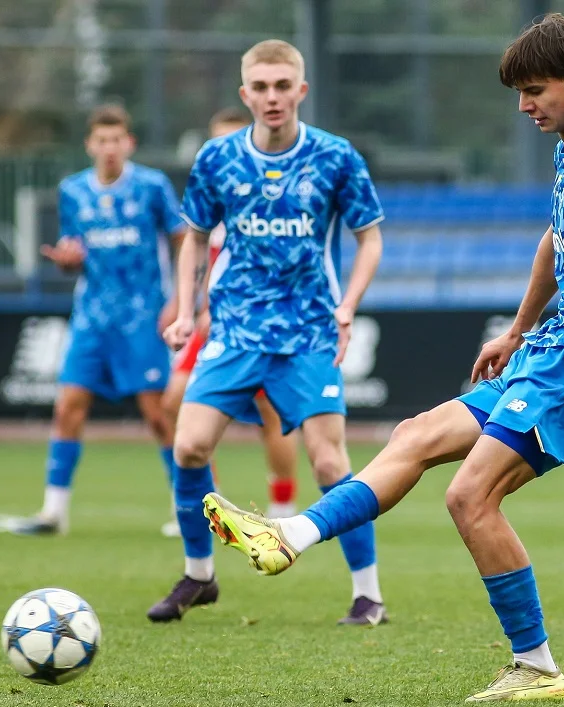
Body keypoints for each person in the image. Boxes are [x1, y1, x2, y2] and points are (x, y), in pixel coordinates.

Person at [201, 13, 564, 703]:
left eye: (534, 91)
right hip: (550, 352)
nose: (523, 106)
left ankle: (536, 666)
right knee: (413, 436)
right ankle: (290, 535)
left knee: (469, 496)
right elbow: (555, 240)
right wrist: (516, 330)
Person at [145, 40, 390, 627]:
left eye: (283, 86)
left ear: (301, 91)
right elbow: (194, 237)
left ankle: (368, 595)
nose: (272, 97)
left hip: (308, 334)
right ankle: (200, 576)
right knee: (188, 446)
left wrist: (349, 304)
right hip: (234, 331)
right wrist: (186, 308)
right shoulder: (217, 158)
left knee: (330, 463)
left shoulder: (335, 157)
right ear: (245, 94)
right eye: (261, 87)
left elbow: (370, 238)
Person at [13, 104, 185, 536]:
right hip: (91, 317)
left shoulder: (151, 186)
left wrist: (182, 298)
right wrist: (68, 261)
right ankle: (53, 512)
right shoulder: (73, 190)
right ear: (90, 144)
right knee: (68, 406)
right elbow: (75, 251)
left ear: (130, 143)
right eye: (101, 140)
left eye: (117, 140)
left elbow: (183, 241)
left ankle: (184, 507)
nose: (109, 148)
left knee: (159, 414)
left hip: (143, 316)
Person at [159, 106, 302, 540]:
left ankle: (283, 504)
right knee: (173, 404)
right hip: (213, 322)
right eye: (215, 140)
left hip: (258, 323)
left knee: (270, 412)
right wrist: (183, 304)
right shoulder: (212, 191)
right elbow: (201, 255)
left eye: (230, 138)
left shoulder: (272, 192)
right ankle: (210, 498)